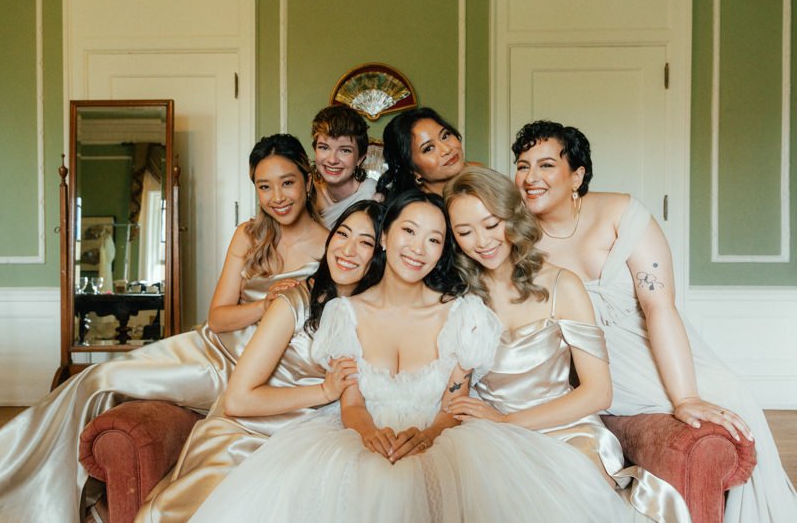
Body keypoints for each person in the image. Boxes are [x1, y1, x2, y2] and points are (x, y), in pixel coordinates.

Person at [191, 190, 631, 523]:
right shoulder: (343, 314)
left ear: (444, 250)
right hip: (359, 438)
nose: (418, 248)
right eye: (408, 231)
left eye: (435, 239)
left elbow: (454, 403)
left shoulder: (464, 313)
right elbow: (351, 402)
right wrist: (368, 434)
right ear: (384, 236)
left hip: (447, 440)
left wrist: (432, 433)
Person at [0, 134, 327, 523]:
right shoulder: (249, 235)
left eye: (287, 182)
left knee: (100, 381)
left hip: (251, 370)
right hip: (207, 349)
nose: (277, 197)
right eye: (264, 186)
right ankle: (23, 483)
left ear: (308, 178)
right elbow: (219, 316)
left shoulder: (329, 249)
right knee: (95, 379)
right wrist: (265, 304)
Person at [511, 120, 797, 522]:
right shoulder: (513, 236)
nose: (530, 178)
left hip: (657, 342)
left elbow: (659, 306)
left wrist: (685, 398)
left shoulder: (620, 213)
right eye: (522, 166)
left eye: (545, 165)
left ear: (577, 175)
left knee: (731, 395)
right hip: (596, 362)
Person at [444, 166, 691, 521]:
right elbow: (455, 391)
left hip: (566, 430)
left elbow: (597, 392)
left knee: (568, 492)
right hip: (491, 434)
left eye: (491, 223)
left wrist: (508, 420)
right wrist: (487, 423)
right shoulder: (460, 297)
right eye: (465, 232)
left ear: (512, 215)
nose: (482, 241)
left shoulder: (563, 284)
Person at [137, 200, 384, 522]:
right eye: (343, 234)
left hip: (312, 437)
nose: (348, 250)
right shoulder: (293, 302)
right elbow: (238, 400)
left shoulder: (372, 313)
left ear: (381, 254)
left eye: (365, 242)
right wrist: (323, 392)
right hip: (246, 436)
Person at [377, 107, 482, 199]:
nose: (446, 150)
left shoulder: (478, 173)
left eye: (445, 136)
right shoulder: (421, 210)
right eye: (428, 148)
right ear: (412, 170)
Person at [310, 105, 378, 228]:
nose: (332, 160)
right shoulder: (306, 191)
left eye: (345, 150)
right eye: (324, 148)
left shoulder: (373, 195)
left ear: (360, 159)